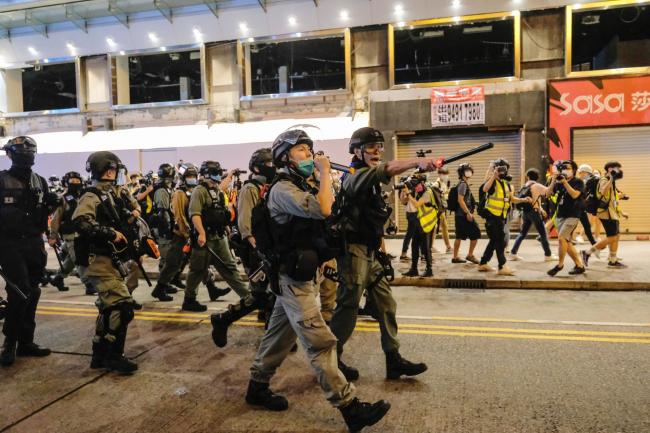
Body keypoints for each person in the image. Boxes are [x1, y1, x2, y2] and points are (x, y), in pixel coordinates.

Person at [246, 130, 391, 432]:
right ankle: (350, 408)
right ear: (284, 157)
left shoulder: (300, 184)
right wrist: (325, 173)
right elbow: (323, 208)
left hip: (300, 276)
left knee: (279, 336)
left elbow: (321, 223)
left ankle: (256, 387)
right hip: (291, 280)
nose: (309, 155)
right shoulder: (283, 190)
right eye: (301, 150)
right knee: (320, 343)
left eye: (310, 150)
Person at [329, 127, 433, 383]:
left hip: (370, 250)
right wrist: (416, 162)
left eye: (380, 146)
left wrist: (382, 254)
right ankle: (330, 361)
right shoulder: (354, 177)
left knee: (386, 303)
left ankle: (393, 359)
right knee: (348, 306)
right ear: (356, 151)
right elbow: (385, 169)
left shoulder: (371, 182)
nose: (378, 150)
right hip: (352, 252)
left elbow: (373, 222)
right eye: (371, 146)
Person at [72, 151, 140, 373]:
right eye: (116, 171)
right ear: (109, 171)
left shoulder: (109, 194)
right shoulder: (92, 196)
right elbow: (82, 222)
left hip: (108, 259)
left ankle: (99, 354)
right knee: (123, 306)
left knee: (107, 307)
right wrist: (110, 233)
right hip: (97, 261)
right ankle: (113, 355)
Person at [0, 136, 58, 367]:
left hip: (34, 243)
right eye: (22, 152)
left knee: (32, 292)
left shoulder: (40, 181)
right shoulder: (2, 180)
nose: (27, 155)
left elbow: (42, 213)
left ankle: (26, 342)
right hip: (9, 244)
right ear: (11, 154)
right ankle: (10, 343)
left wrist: (52, 204)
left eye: (30, 151)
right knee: (20, 292)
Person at [210, 148, 277, 347]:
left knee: (270, 293)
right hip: (253, 248)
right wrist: (253, 242)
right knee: (260, 294)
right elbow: (244, 220)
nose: (272, 167)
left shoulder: (268, 187)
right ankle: (224, 319)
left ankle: (272, 331)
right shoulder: (251, 188)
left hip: (265, 246)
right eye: (268, 163)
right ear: (256, 167)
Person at [184, 161, 249, 312]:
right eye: (216, 173)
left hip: (219, 237)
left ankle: (248, 297)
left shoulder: (217, 191)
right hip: (204, 238)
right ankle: (189, 299)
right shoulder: (199, 191)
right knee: (197, 270)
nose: (218, 176)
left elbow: (219, 212)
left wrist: (225, 228)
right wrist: (201, 233)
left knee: (230, 267)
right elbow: (195, 214)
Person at [477, 159, 532, 276]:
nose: (502, 171)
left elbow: (511, 198)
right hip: (492, 217)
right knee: (500, 241)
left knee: (494, 241)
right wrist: (493, 175)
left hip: (501, 217)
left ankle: (483, 263)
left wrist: (523, 199)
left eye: (504, 169)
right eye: (499, 169)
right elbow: (485, 189)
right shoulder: (492, 182)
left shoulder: (506, 184)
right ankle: (502, 266)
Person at [48, 171, 97, 295]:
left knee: (71, 259)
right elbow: (56, 219)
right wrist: (53, 235)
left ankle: (58, 278)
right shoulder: (63, 199)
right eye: (72, 182)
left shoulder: (85, 196)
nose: (75, 184)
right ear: (67, 183)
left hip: (84, 233)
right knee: (79, 259)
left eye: (77, 181)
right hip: (70, 233)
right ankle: (88, 284)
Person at [581, 161, 626, 269]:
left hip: (612, 212)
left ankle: (612, 259)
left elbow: (612, 197)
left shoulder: (611, 180)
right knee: (612, 237)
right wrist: (611, 179)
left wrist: (620, 211)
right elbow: (602, 191)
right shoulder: (604, 179)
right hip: (606, 213)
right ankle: (587, 252)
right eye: (616, 168)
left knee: (616, 236)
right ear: (610, 169)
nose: (618, 171)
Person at [546, 160, 586, 276]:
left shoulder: (578, 182)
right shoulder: (558, 182)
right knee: (566, 242)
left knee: (561, 238)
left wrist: (565, 183)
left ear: (573, 170)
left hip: (573, 215)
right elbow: (548, 194)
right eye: (563, 168)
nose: (565, 170)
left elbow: (575, 195)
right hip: (560, 215)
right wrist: (553, 180)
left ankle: (560, 265)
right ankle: (579, 265)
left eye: (567, 168)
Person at [509, 168, 555, 261]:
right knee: (543, 234)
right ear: (537, 177)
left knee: (522, 233)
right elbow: (548, 192)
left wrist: (541, 209)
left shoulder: (525, 185)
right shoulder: (537, 185)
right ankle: (548, 255)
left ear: (528, 176)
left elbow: (535, 199)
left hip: (526, 212)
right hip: (534, 213)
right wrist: (553, 180)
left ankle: (513, 253)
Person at [150, 163, 177, 301]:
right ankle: (161, 288)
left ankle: (165, 283)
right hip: (162, 228)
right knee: (166, 258)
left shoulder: (166, 189)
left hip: (164, 226)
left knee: (168, 258)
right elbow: (163, 212)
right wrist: (167, 229)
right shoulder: (162, 190)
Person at [402, 174, 435, 277]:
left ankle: (429, 270)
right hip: (419, 221)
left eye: (416, 184)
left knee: (425, 248)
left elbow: (416, 204)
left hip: (427, 223)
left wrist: (409, 194)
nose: (415, 187)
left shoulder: (428, 193)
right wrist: (406, 193)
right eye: (414, 185)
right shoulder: (417, 191)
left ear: (422, 183)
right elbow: (405, 201)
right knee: (414, 245)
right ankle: (414, 269)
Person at [451, 163, 481, 264]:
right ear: (462, 172)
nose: (469, 172)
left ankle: (455, 257)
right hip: (463, 215)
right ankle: (470, 255)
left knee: (459, 236)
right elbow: (460, 200)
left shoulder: (462, 183)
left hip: (459, 215)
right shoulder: (463, 184)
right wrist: (468, 213)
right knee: (476, 233)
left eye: (470, 170)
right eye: (467, 170)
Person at [574, 164, 597, 246]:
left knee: (587, 226)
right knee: (572, 226)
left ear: (585, 172)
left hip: (581, 207)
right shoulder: (581, 181)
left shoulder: (587, 182)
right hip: (576, 208)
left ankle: (594, 244)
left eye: (580, 172)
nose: (579, 174)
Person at [431, 167, 452, 254]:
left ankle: (448, 247)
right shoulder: (436, 184)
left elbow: (444, 195)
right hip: (437, 209)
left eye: (447, 174)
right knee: (435, 227)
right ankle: (431, 246)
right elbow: (435, 197)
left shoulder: (443, 183)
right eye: (444, 174)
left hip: (442, 208)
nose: (446, 176)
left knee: (443, 227)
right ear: (439, 175)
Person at [398, 183, 418, 262]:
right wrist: (406, 193)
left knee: (414, 234)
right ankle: (404, 254)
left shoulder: (420, 187)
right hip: (411, 213)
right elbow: (403, 201)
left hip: (418, 212)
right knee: (410, 234)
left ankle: (421, 253)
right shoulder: (406, 188)